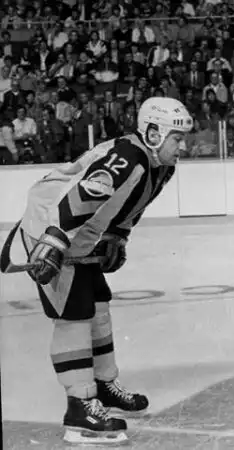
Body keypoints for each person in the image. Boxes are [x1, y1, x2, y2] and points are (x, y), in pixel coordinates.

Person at [1, 97, 193, 444]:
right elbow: (83, 196)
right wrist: (54, 239)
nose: (183, 147)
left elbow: (132, 205)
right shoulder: (129, 157)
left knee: (98, 303)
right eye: (177, 139)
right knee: (73, 312)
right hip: (51, 225)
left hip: (80, 232)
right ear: (153, 134)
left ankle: (103, 385)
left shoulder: (160, 165)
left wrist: (117, 237)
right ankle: (79, 409)